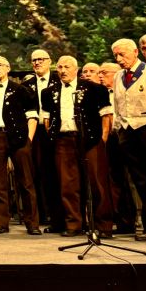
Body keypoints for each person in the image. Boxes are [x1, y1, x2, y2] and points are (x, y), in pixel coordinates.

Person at [41, 55, 114, 238]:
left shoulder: (94, 89)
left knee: (96, 183)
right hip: (63, 141)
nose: (63, 70)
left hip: (89, 139)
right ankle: (74, 223)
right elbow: (47, 119)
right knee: (68, 184)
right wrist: (53, 135)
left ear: (76, 69)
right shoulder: (49, 92)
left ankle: (103, 225)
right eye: (59, 67)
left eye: (67, 67)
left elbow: (106, 115)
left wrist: (103, 139)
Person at [0, 56, 41, 235]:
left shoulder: (21, 90)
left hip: (19, 137)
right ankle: (0, 222)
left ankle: (32, 223)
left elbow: (32, 116)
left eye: (0, 65)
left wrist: (28, 139)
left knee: (26, 182)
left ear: (8, 68)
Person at [111, 38, 146, 241]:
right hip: (127, 133)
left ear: (135, 52)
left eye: (122, 54)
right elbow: (117, 104)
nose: (118, 59)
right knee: (140, 181)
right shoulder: (118, 76)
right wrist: (119, 129)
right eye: (116, 55)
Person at [23, 48, 64, 233]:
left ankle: (60, 219)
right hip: (35, 131)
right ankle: (39, 218)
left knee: (57, 175)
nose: (37, 63)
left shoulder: (60, 80)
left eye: (41, 59)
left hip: (57, 132)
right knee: (37, 175)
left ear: (50, 61)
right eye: (34, 60)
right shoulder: (27, 85)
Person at [99, 61, 136, 234]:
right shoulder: (101, 93)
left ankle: (136, 220)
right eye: (98, 73)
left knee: (134, 178)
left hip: (129, 135)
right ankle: (123, 221)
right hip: (112, 139)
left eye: (104, 72)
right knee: (115, 180)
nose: (100, 76)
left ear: (117, 73)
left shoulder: (124, 91)